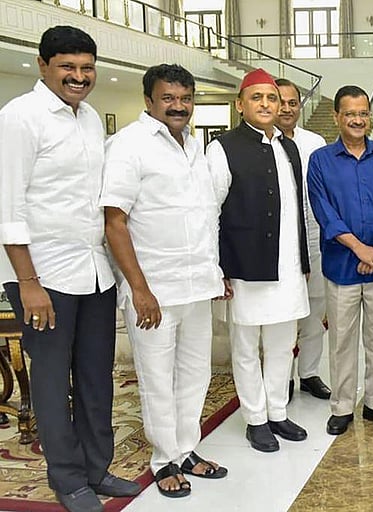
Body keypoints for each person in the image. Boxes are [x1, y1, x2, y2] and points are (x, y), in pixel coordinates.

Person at [0, 26, 140, 512]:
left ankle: (97, 468)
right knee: (52, 380)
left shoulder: (88, 121)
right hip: (46, 276)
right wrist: (28, 282)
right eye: (67, 67)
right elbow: (9, 206)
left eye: (86, 68)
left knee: (96, 375)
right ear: (43, 66)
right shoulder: (20, 118)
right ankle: (67, 478)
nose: (79, 77)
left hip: (94, 270)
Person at [102, 64, 229, 498]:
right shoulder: (129, 146)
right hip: (154, 291)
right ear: (149, 101)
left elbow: (204, 217)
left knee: (195, 375)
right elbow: (115, 221)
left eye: (185, 98)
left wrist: (216, 273)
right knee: (156, 377)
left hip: (196, 287)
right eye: (168, 98)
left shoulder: (194, 147)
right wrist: (139, 289)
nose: (178, 106)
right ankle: (164, 460)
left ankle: (187, 450)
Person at [207, 68, 310, 453]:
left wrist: (301, 260)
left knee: (283, 344)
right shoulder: (223, 147)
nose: (267, 105)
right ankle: (255, 419)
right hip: (245, 265)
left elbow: (295, 210)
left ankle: (278, 412)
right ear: (240, 104)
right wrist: (218, 267)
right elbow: (210, 210)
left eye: (273, 98)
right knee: (247, 346)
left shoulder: (289, 146)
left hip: (286, 266)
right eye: (258, 98)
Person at [307, 85, 373, 435]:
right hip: (341, 267)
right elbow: (325, 212)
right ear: (337, 117)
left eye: (363, 113)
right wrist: (360, 250)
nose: (358, 119)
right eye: (350, 113)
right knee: (342, 341)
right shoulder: (320, 161)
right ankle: (343, 406)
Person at [274, 78, 332, 401]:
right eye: (280, 101)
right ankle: (282, 378)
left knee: (315, 307)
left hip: (314, 236)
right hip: (281, 242)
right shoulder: (266, 142)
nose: (286, 108)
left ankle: (309, 372)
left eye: (292, 102)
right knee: (283, 314)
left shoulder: (315, 142)